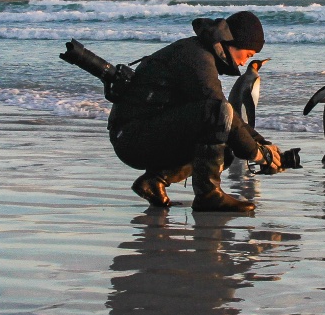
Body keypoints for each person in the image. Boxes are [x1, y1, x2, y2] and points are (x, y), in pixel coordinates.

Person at [88, 11, 293, 212]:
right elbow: (218, 110)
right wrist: (259, 154)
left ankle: (154, 182)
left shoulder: (200, 52)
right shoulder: (196, 57)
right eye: (247, 55)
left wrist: (263, 144)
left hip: (140, 134)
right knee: (217, 115)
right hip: (132, 138)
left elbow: (229, 119)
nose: (243, 63)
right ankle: (208, 196)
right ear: (233, 42)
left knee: (226, 145)